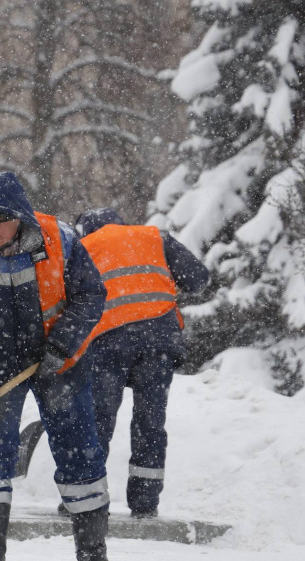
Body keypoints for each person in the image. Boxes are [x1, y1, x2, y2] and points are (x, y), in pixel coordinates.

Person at [0, 172, 116, 561]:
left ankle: (94, 554)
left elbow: (91, 294)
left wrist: (62, 344)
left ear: (20, 215)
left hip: (59, 361)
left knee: (79, 449)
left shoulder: (60, 240)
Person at [73, 208, 211, 518]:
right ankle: (145, 503)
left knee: (97, 421)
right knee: (150, 422)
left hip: (108, 342)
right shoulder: (154, 237)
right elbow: (198, 279)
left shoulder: (83, 247)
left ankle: (86, 500)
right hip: (158, 340)